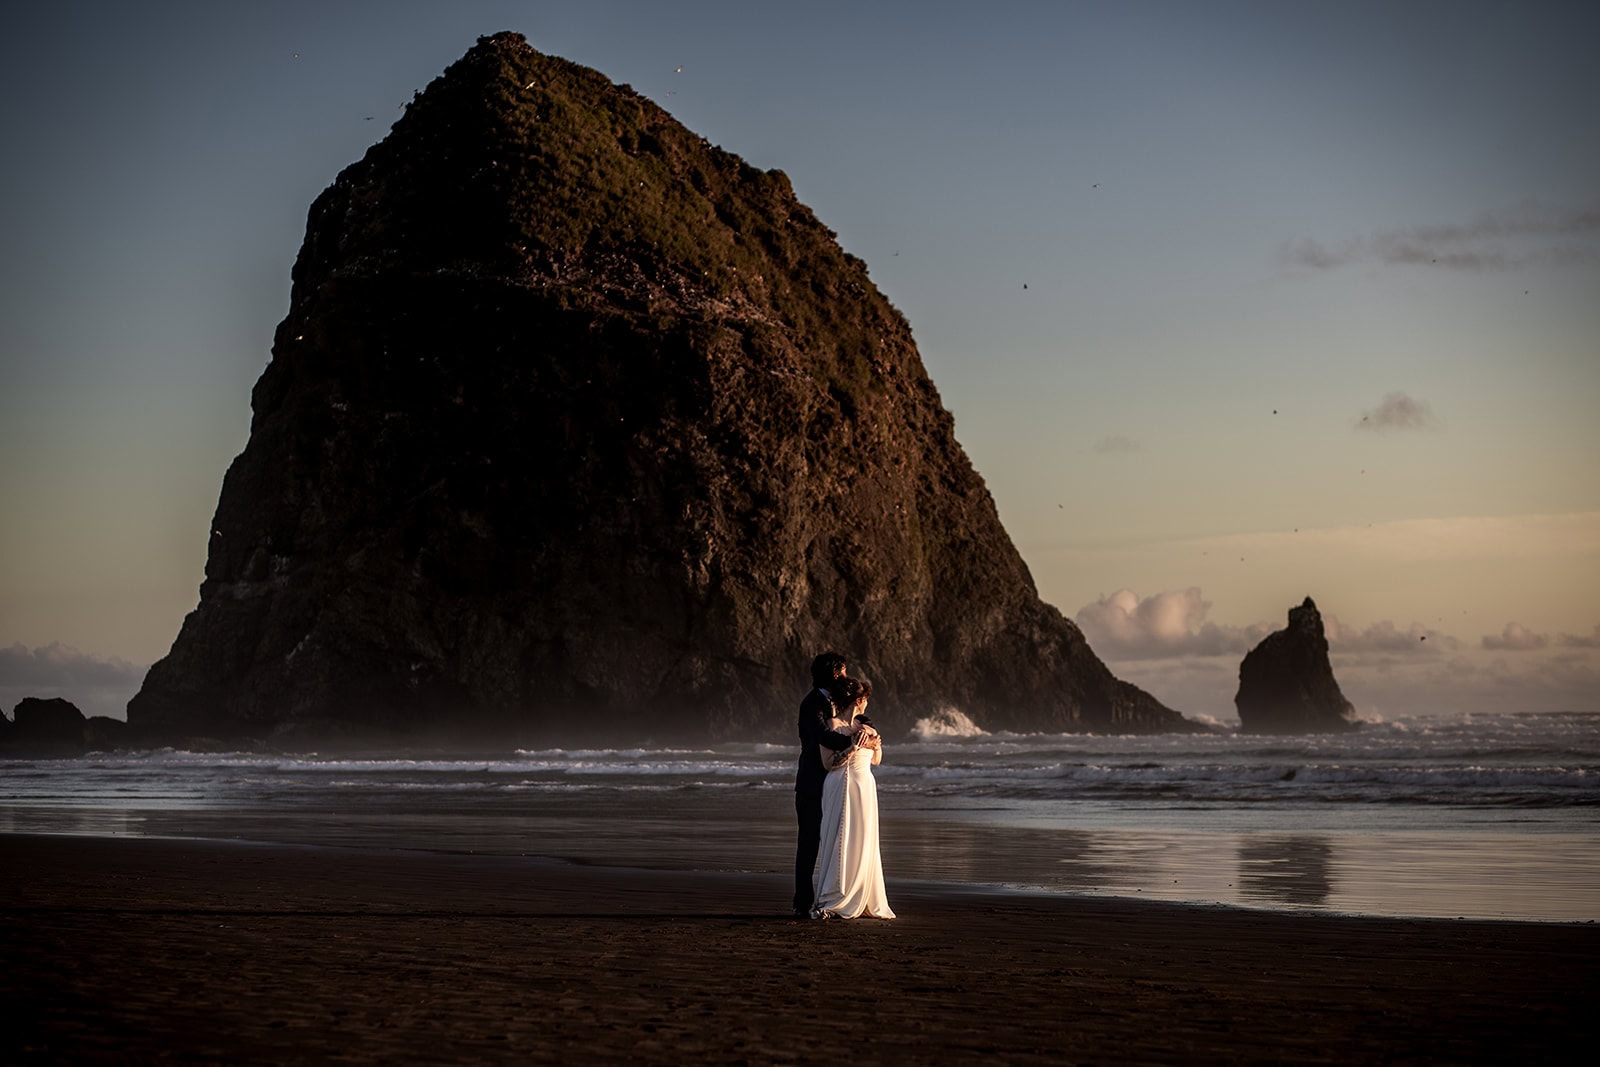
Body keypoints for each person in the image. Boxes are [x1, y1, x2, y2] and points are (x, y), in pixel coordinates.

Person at [811, 676, 894, 920]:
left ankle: (863, 896)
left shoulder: (866, 727)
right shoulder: (832, 725)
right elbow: (828, 763)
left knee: (864, 838)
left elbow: (877, 760)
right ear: (859, 700)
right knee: (840, 836)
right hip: (840, 784)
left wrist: (876, 745)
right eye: (866, 700)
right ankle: (835, 897)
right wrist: (852, 748)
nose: (867, 705)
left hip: (865, 785)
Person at [794, 651, 856, 917]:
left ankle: (830, 899)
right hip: (811, 783)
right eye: (842, 671)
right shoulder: (812, 704)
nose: (845, 676)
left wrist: (865, 733)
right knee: (809, 843)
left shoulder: (833, 701)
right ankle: (802, 903)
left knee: (833, 841)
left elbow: (854, 717)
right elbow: (824, 735)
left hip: (832, 783)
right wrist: (854, 743)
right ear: (834, 673)